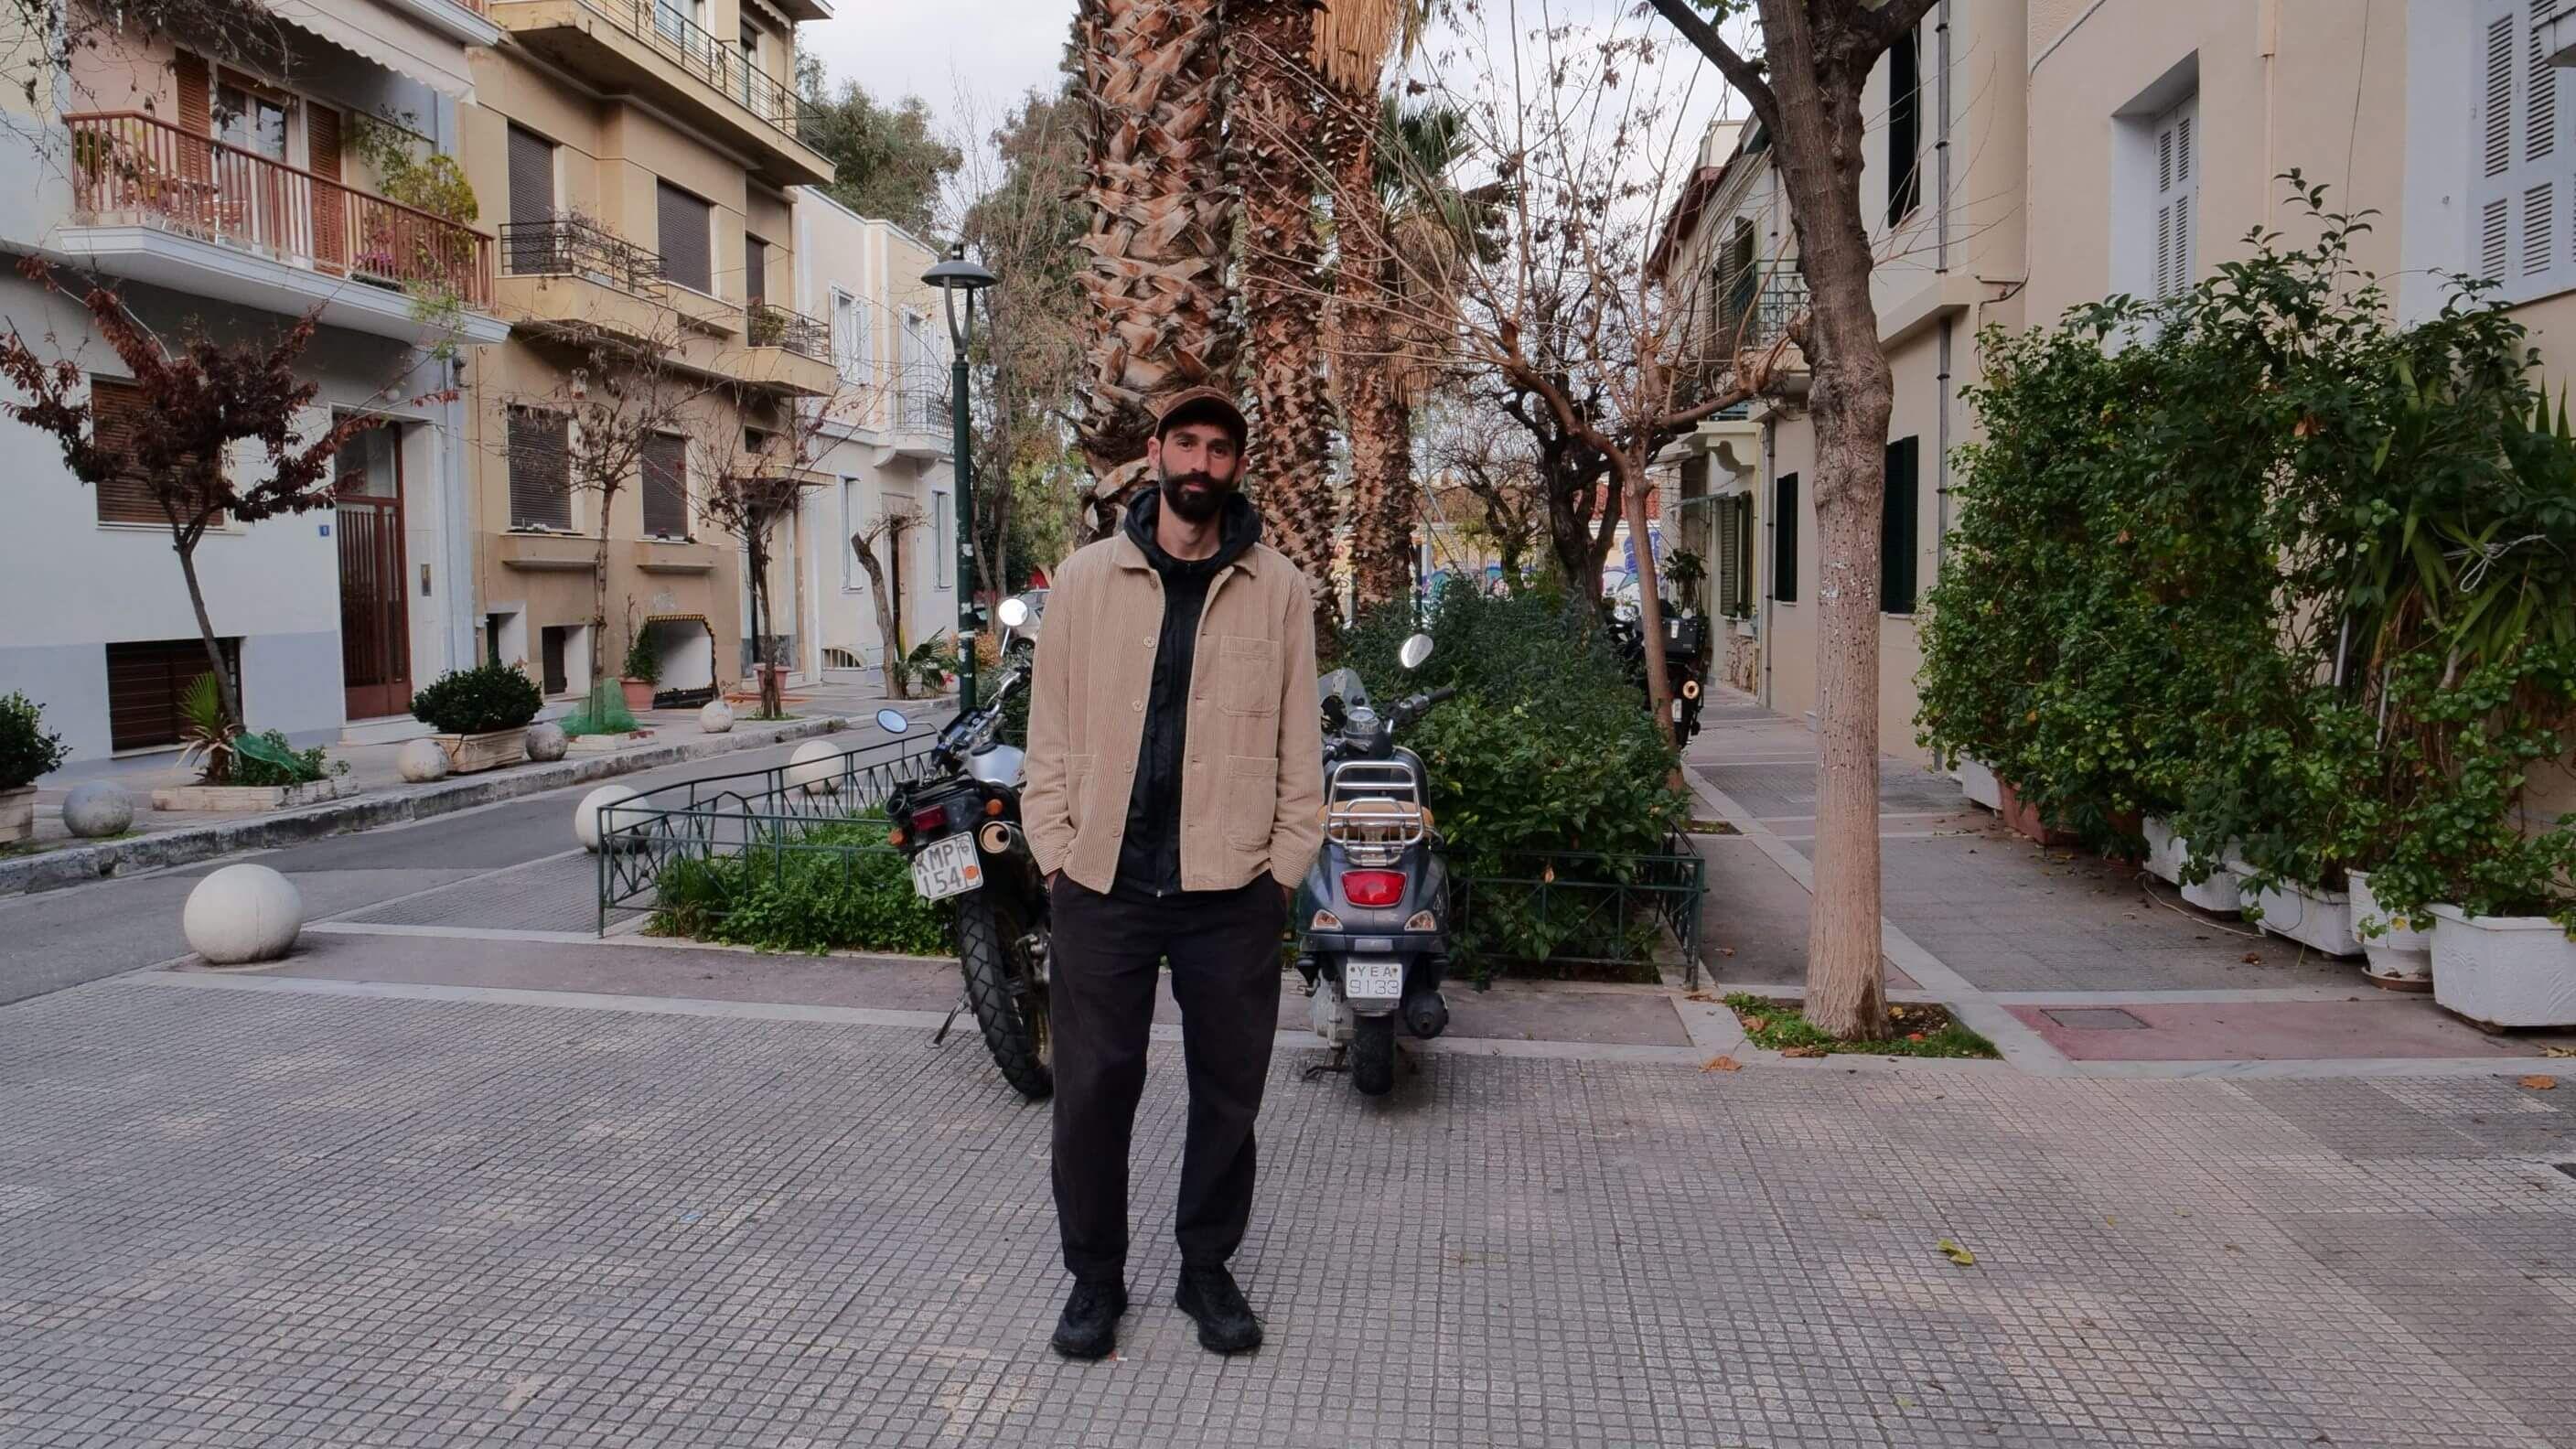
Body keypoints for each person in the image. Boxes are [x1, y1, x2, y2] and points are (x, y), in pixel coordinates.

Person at [1020, 386, 1324, 1359]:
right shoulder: (1082, 581)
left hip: (1229, 887)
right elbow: (1051, 731)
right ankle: (1094, 1280)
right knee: (1094, 1087)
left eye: (1218, 449)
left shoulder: (1274, 586)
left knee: (1227, 1089)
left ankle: (1204, 1268)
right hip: (1101, 880)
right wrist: (1055, 851)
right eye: (1183, 443)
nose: (1199, 463)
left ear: (1237, 465)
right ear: (1153, 453)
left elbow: (1298, 742)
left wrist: (1282, 868)